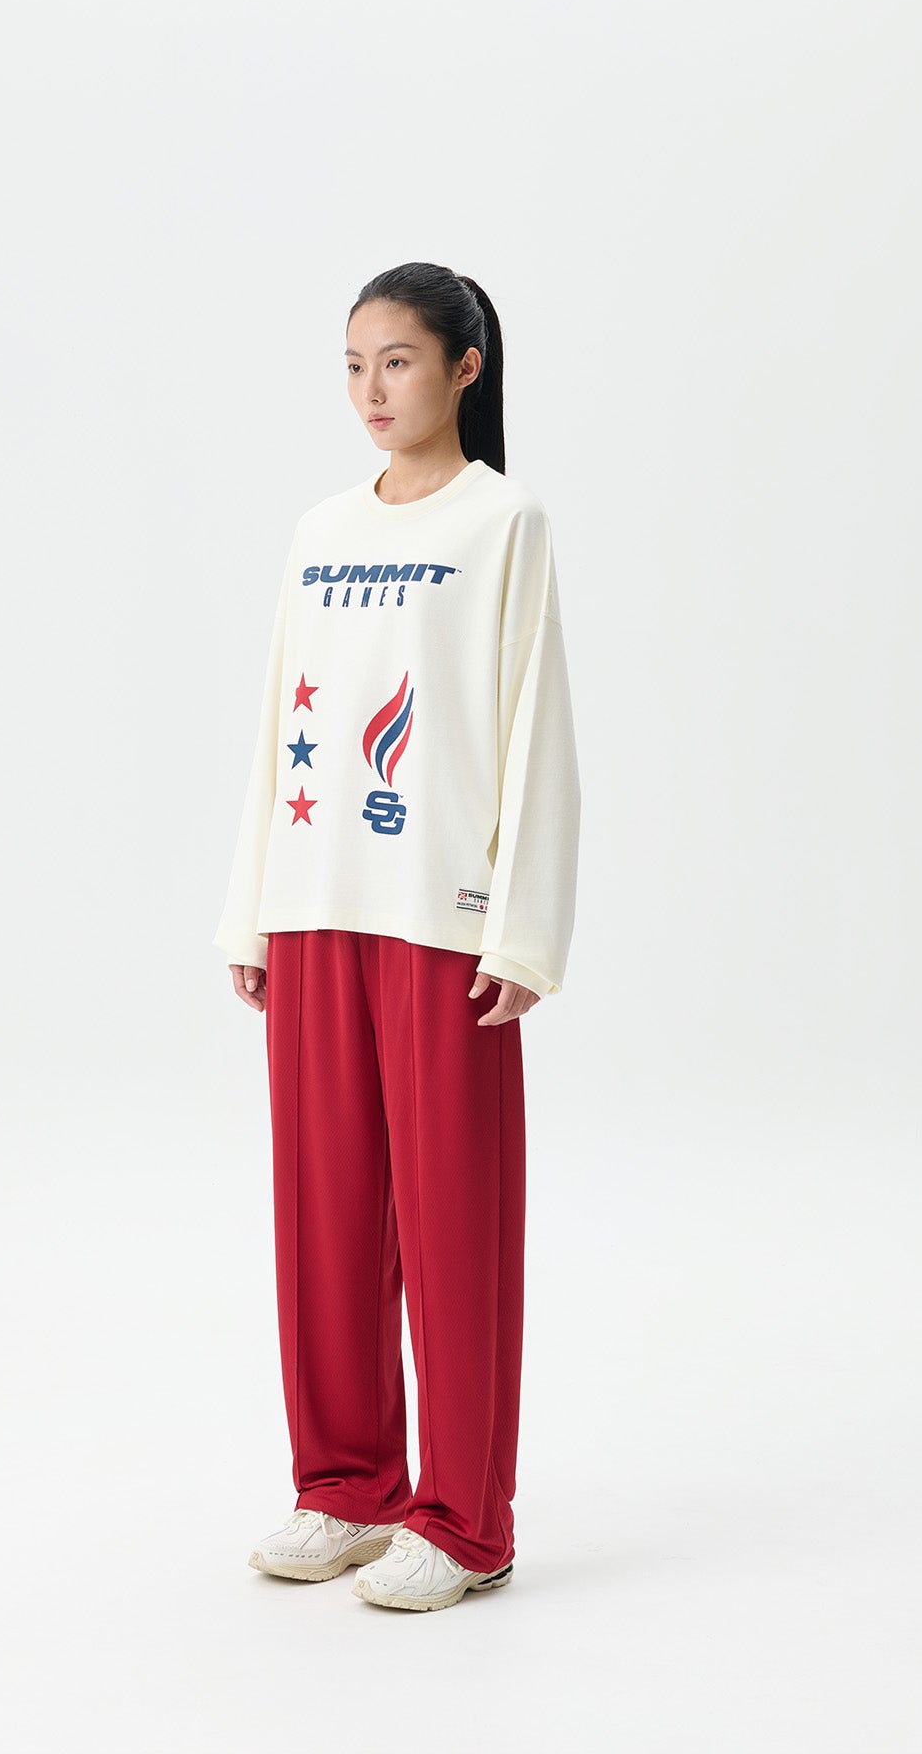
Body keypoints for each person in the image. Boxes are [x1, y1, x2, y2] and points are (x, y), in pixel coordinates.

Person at [213, 261, 581, 1612]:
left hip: (442, 918)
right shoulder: (320, 529)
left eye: (401, 362)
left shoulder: (503, 520)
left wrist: (522, 933)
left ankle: (466, 1519)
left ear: (466, 368)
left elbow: (539, 728)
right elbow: (281, 716)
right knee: (323, 1212)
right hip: (316, 898)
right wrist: (251, 903)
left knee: (453, 1220)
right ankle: (345, 1487)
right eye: (355, 366)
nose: (373, 391)